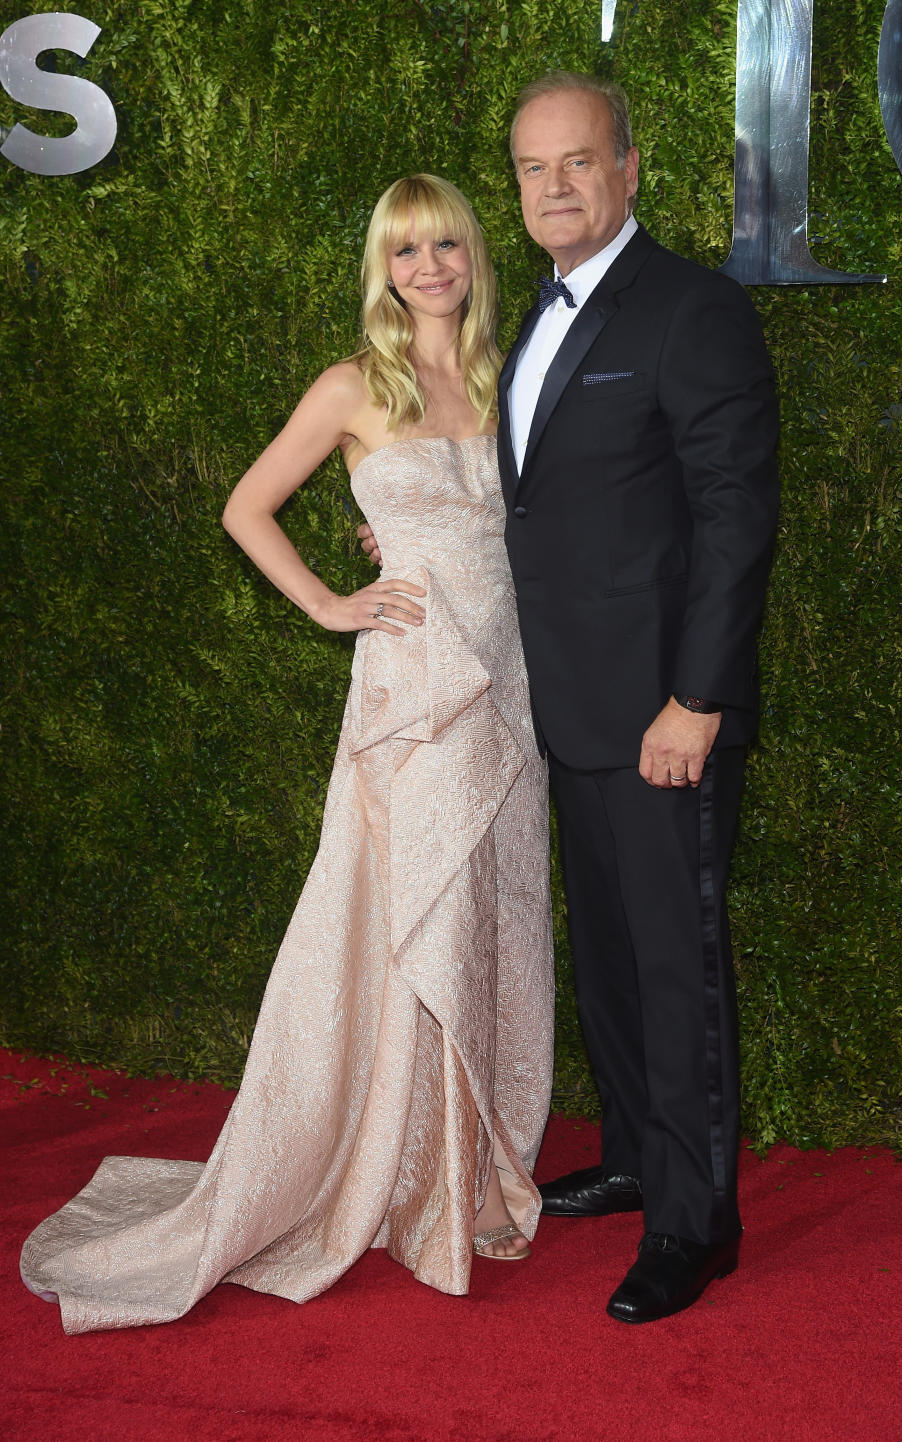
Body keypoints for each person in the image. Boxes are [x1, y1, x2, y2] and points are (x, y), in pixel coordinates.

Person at [19, 174, 554, 1334]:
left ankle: (451, 1170)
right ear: (383, 264)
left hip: (508, 690)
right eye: (407, 249)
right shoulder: (353, 385)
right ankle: (403, 1184)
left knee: (490, 919)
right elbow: (245, 506)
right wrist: (327, 600)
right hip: (414, 695)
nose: (430, 265)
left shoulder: (513, 375)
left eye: (447, 242)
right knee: (414, 919)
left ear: (475, 253)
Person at [366, 74, 780, 1320]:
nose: (555, 185)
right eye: (534, 168)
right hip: (562, 712)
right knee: (609, 957)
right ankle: (642, 1157)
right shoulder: (530, 323)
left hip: (664, 715)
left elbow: (734, 516)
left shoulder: (691, 310)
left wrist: (695, 697)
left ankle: (697, 1225)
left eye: (578, 162)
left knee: (676, 960)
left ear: (629, 168)